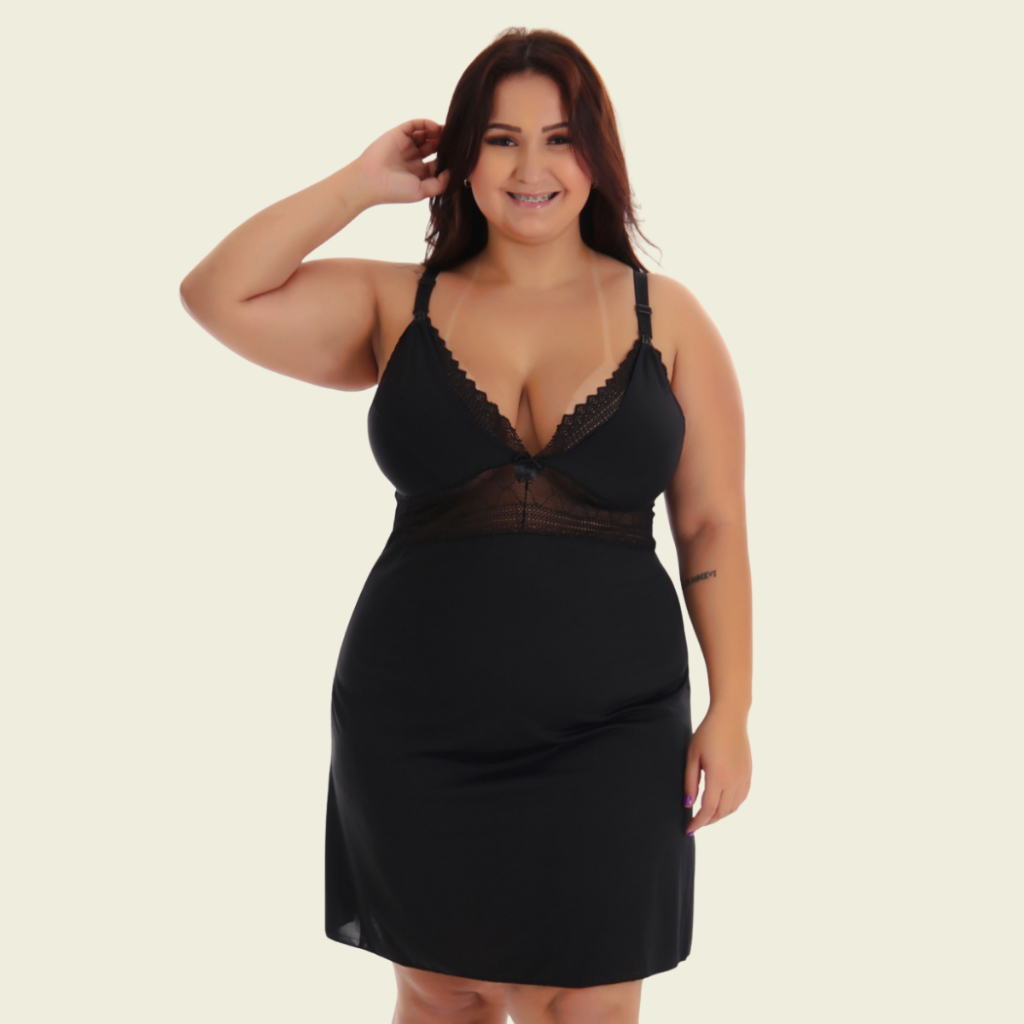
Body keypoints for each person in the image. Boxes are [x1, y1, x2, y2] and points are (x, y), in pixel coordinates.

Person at [180, 26, 752, 1024]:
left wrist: (732, 709)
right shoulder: (396, 303)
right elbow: (215, 293)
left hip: (616, 727)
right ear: (462, 158)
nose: (531, 168)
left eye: (559, 138)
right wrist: (360, 184)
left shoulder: (668, 319)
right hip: (417, 722)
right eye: (500, 139)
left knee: (589, 998)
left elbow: (710, 525)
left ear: (598, 153)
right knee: (447, 995)